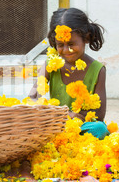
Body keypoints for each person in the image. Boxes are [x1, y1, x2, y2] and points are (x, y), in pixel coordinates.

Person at [29, 8, 109, 140]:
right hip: (54, 125)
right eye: (60, 45)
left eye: (71, 44)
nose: (66, 50)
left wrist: (75, 117)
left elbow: (99, 115)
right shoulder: (51, 64)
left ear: (86, 38)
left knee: (99, 129)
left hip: (82, 128)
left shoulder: (97, 70)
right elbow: (33, 97)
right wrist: (61, 114)